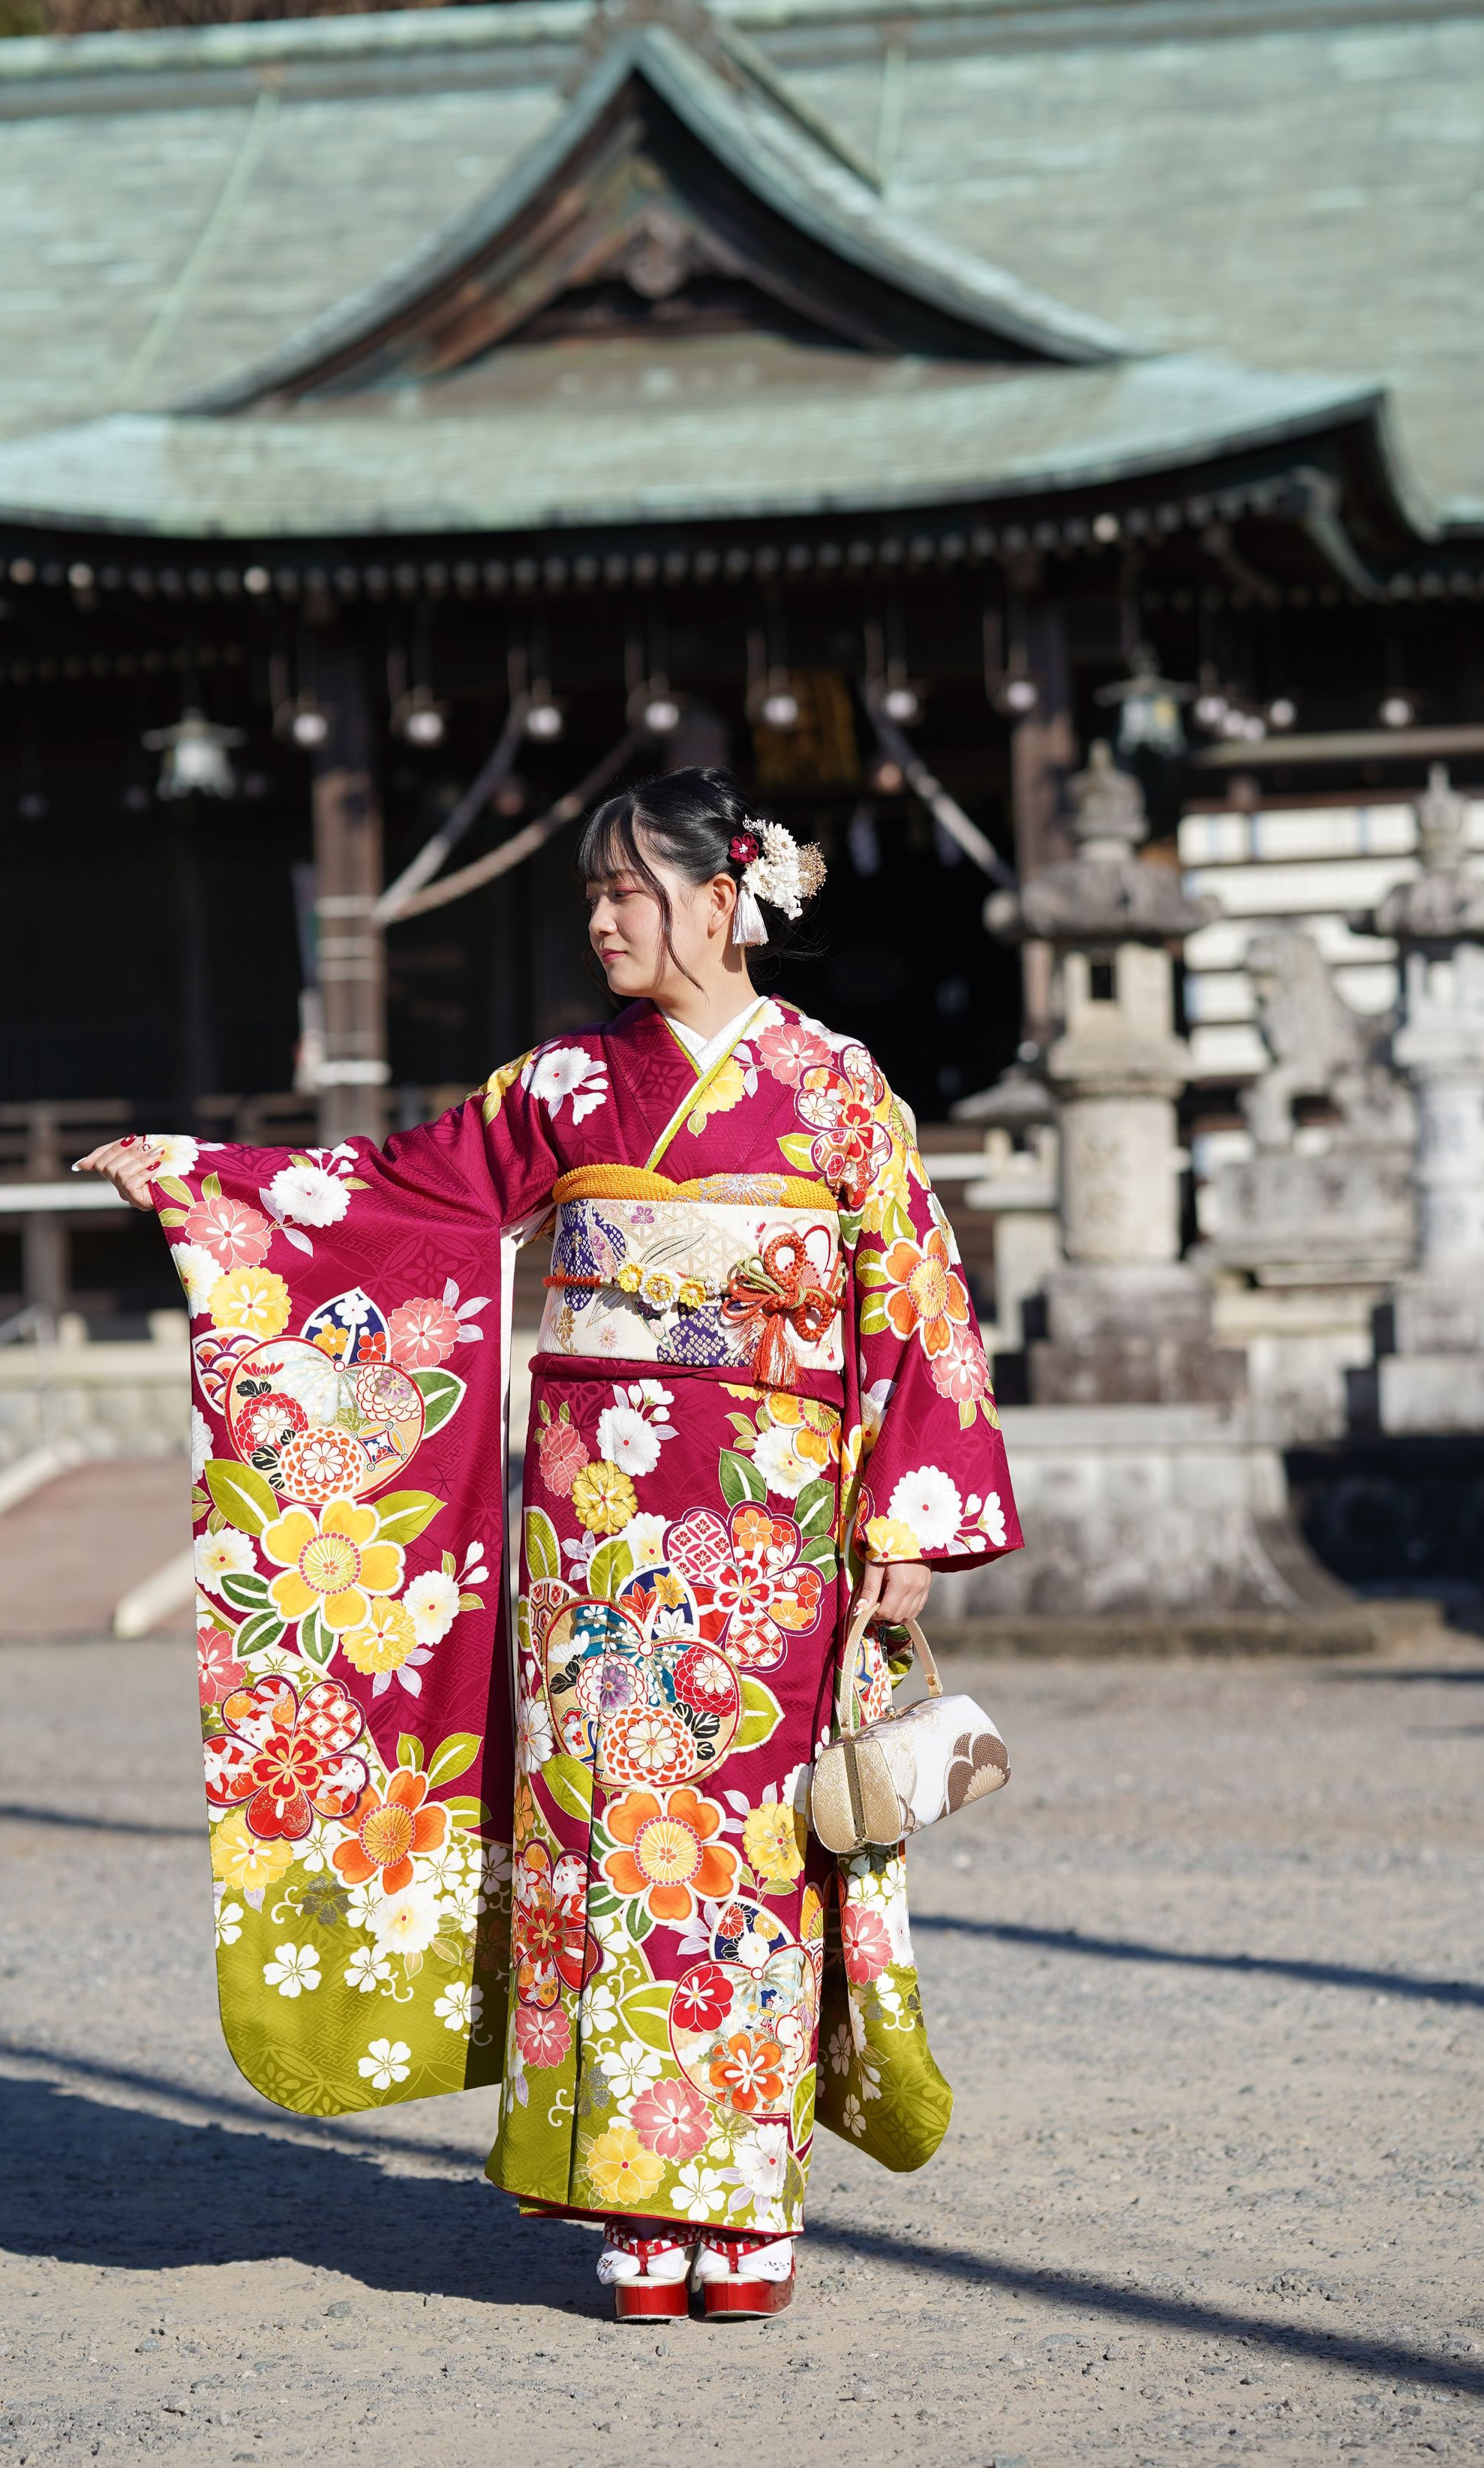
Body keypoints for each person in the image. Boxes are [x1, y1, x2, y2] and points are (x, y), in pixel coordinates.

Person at [79, 765, 1020, 2322]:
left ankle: (740, 2197)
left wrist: (904, 1515)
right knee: (597, 1839)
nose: (600, 919)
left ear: (722, 901)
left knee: (748, 1846)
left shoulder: (838, 1087)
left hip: (767, 1524)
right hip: (591, 1536)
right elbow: (388, 1197)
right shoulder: (563, 1088)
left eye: (627, 890)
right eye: (590, 893)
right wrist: (198, 1179)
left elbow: (912, 1297)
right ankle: (629, 2192)